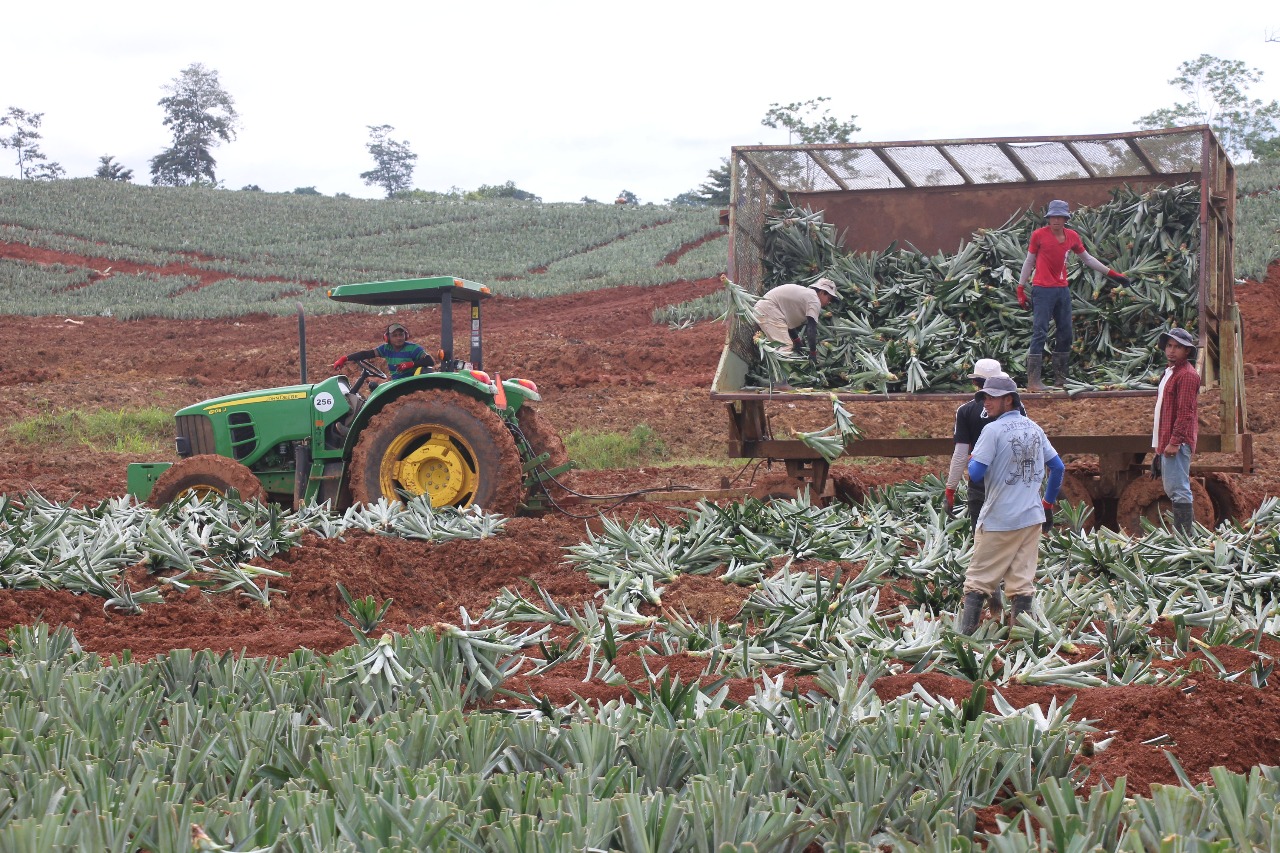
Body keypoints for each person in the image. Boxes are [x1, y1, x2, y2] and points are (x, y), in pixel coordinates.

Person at [960, 375, 1065, 634]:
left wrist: (973, 459)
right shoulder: (1034, 428)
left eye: (992, 397)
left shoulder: (992, 431)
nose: (986, 402)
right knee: (1021, 582)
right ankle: (1020, 639)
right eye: (984, 396)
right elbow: (1058, 467)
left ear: (1009, 399)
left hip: (999, 519)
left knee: (978, 581)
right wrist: (1048, 504)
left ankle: (966, 640)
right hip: (1031, 518)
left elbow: (975, 473)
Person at [1016, 199, 1130, 392]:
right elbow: (1029, 262)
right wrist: (1020, 288)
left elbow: (1087, 259)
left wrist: (1113, 274)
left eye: (1060, 217)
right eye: (1053, 217)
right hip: (1042, 289)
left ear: (1065, 218)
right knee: (1040, 331)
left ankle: (1061, 378)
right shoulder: (1039, 235)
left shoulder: (1072, 237)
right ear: (1049, 218)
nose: (1056, 220)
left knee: (1066, 332)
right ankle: (1034, 381)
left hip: (1062, 289)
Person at [945, 358, 1024, 532]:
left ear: (974, 382)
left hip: (980, 485)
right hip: (1010, 486)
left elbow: (960, 454)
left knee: (981, 542)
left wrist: (950, 490)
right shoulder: (1015, 408)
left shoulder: (965, 411)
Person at [1151, 327, 1201, 534]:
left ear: (1187, 351)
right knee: (1174, 489)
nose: (1172, 351)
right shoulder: (1169, 372)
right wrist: (1160, 447)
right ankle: (1183, 538)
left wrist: (1174, 441)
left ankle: (1184, 540)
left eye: (1178, 347)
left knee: (1178, 490)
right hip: (1168, 440)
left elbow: (1185, 412)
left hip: (1177, 441)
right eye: (1169, 346)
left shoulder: (1187, 375)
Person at [752, 278, 841, 369]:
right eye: (828, 298)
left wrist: (796, 340)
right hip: (768, 310)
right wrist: (813, 352)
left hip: (766, 309)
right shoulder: (814, 300)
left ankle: (777, 372)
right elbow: (811, 328)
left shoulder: (807, 295)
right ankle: (779, 378)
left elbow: (787, 319)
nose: (828, 302)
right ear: (822, 292)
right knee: (785, 347)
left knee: (783, 346)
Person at [332, 323, 435, 378]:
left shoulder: (413, 348)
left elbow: (430, 361)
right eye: (394, 335)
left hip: (408, 382)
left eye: (401, 334)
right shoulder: (386, 349)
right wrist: (344, 358)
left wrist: (410, 364)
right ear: (387, 338)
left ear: (406, 335)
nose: (399, 338)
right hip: (396, 381)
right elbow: (367, 354)